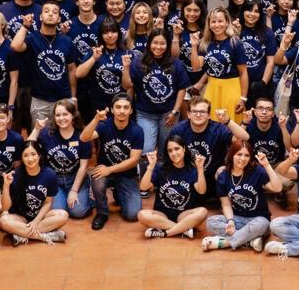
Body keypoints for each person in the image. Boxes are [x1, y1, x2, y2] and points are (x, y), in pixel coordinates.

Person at [202, 139, 285, 252]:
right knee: (211, 222)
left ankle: (224, 243)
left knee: (262, 225)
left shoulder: (257, 171)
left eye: (247, 155)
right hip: (237, 219)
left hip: (258, 219)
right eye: (239, 154)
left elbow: (277, 188)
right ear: (232, 155)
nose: (243, 158)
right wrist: (230, 221)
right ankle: (249, 241)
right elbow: (226, 205)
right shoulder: (223, 176)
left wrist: (267, 165)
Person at [80, 94, 143, 230]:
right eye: (118, 107)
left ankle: (119, 193)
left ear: (131, 110)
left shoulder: (137, 130)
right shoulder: (104, 125)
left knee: (133, 215)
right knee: (97, 181)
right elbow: (84, 138)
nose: (121, 111)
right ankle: (102, 212)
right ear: (112, 110)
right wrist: (96, 119)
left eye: (126, 108)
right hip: (104, 170)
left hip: (126, 174)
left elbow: (134, 160)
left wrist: (110, 169)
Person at [124, 29, 190, 160]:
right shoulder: (138, 62)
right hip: (145, 113)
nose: (158, 47)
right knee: (146, 151)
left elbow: (182, 89)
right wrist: (126, 68)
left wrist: (175, 112)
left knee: (167, 150)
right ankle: (147, 177)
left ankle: (163, 178)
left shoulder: (175, 63)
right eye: (155, 43)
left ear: (168, 45)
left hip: (168, 114)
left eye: (162, 43)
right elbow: (128, 86)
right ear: (149, 44)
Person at [169, 96, 249, 199]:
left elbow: (244, 138)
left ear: (209, 115)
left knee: (223, 171)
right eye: (194, 112)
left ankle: (224, 201)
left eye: (202, 112)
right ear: (188, 114)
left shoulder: (217, 128)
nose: (198, 115)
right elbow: (170, 155)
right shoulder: (179, 130)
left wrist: (228, 121)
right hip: (189, 175)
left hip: (213, 174)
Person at [11, 2, 78, 124]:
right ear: (41, 17)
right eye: (46, 11)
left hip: (63, 98)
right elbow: (15, 46)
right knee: (39, 137)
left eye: (55, 12)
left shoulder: (66, 41)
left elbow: (72, 69)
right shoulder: (32, 38)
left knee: (64, 135)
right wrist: (25, 26)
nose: (51, 14)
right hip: (40, 99)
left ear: (59, 19)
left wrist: (73, 97)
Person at [27, 99, 93, 219]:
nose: (61, 118)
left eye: (65, 114)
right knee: (58, 211)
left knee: (78, 212)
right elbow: (27, 147)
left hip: (75, 178)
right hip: (54, 180)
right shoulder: (48, 134)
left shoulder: (82, 136)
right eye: (58, 115)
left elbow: (84, 166)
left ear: (73, 115)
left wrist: (74, 191)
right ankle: (67, 199)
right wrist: (36, 129)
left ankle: (87, 199)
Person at [0, 140, 68, 245]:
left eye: (33, 154)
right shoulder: (15, 174)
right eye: (25, 155)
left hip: (40, 217)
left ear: (39, 155)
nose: (30, 159)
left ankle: (21, 233)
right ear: (21, 158)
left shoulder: (50, 174)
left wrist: (36, 221)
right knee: (3, 221)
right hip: (20, 218)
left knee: (63, 215)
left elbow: (48, 203)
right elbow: (5, 208)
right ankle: (45, 236)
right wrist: (6, 185)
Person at [137, 136, 208, 239]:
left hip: (184, 215)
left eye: (177, 148)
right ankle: (184, 230)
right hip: (162, 215)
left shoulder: (192, 170)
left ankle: (166, 232)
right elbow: (144, 187)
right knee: (142, 215)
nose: (174, 153)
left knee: (203, 212)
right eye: (170, 151)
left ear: (184, 148)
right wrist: (151, 166)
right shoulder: (161, 168)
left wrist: (200, 169)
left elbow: (202, 191)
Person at [193, 7, 249, 122]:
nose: (217, 25)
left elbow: (243, 73)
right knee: (210, 125)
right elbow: (196, 67)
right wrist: (194, 46)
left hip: (231, 88)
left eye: (220, 21)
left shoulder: (235, 43)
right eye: (213, 21)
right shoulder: (205, 43)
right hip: (212, 88)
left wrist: (243, 98)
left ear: (227, 22)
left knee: (231, 127)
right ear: (208, 24)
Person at [66, 0, 105, 123]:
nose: (86, 1)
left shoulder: (103, 23)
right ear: (76, 2)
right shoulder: (70, 25)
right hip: (77, 79)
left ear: (94, 1)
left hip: (99, 79)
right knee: (80, 121)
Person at [75, 18, 129, 113]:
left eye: (113, 31)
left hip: (121, 105)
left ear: (119, 33)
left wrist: (126, 68)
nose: (110, 35)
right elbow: (78, 74)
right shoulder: (95, 51)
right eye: (105, 32)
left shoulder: (127, 53)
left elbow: (128, 85)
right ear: (101, 35)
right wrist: (93, 58)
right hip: (98, 104)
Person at [237, 0, 276, 94]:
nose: (252, 14)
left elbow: (270, 62)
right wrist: (236, 34)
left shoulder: (268, 32)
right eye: (249, 10)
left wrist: (263, 83)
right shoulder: (235, 29)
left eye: (256, 11)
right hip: (238, 83)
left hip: (261, 83)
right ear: (243, 11)